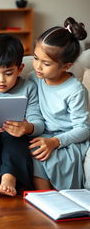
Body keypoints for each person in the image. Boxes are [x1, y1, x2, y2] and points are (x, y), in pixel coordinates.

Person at [0, 33, 44, 197]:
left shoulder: (29, 88)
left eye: (8, 73)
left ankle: (8, 179)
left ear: (20, 69)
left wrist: (27, 127)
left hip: (15, 135)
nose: (1, 80)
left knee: (15, 137)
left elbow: (38, 123)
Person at [28, 17, 90, 190]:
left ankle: (54, 199)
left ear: (65, 66)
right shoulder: (34, 78)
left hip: (67, 139)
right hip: (43, 133)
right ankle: (43, 200)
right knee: (30, 148)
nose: (38, 66)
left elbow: (83, 129)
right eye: (35, 58)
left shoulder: (75, 90)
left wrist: (55, 142)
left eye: (46, 63)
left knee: (41, 154)